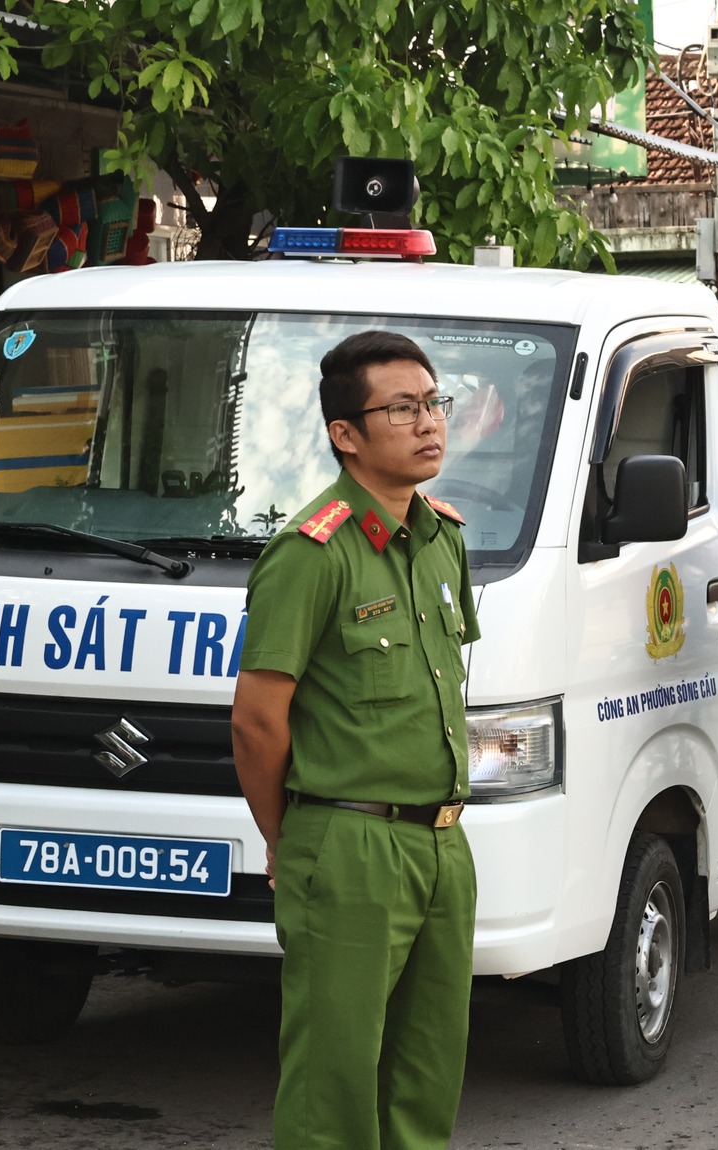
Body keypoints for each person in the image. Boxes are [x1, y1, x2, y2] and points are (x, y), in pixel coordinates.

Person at [231, 331, 481, 1150]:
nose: (428, 423)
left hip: (442, 843)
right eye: (402, 409)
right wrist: (290, 839)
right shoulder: (311, 553)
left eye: (434, 403)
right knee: (333, 1088)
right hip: (349, 843)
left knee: (425, 1078)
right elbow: (257, 720)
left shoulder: (442, 538)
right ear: (345, 433)